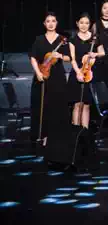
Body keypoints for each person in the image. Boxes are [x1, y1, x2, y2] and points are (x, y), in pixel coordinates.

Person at [29, 13, 71, 146]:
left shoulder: (62, 39)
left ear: (56, 23)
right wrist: (38, 73)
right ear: (44, 24)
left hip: (57, 77)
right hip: (41, 75)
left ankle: (56, 137)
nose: (51, 23)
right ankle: (42, 135)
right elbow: (33, 57)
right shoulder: (39, 39)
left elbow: (69, 58)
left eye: (53, 21)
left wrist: (60, 56)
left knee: (57, 106)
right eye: (48, 21)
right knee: (42, 106)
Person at [67, 13, 105, 130]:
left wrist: (95, 54)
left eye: (87, 23)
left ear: (90, 25)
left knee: (87, 105)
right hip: (77, 73)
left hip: (90, 73)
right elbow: (73, 59)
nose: (84, 25)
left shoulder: (95, 38)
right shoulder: (73, 40)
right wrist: (78, 72)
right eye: (81, 23)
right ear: (77, 23)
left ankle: (85, 133)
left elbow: (103, 53)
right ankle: (76, 133)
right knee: (77, 104)